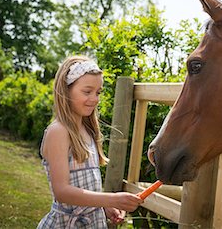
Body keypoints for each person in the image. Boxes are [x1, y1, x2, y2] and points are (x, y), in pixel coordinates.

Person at [38, 55, 143, 228]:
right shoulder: (58, 132)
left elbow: (86, 189)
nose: (94, 99)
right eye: (87, 92)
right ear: (66, 90)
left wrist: (104, 206)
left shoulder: (87, 131)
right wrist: (112, 198)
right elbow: (62, 192)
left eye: (98, 92)